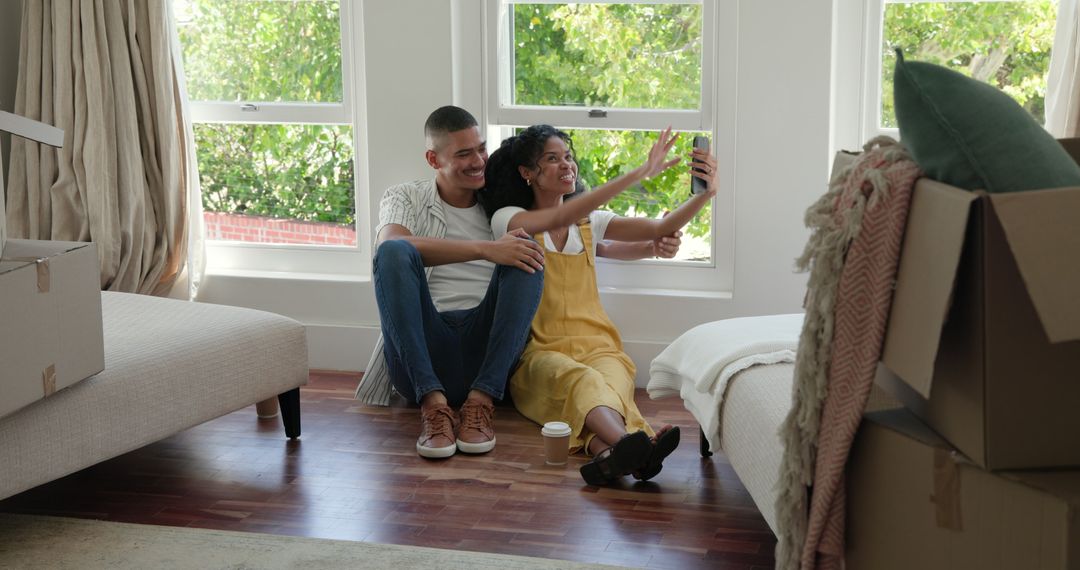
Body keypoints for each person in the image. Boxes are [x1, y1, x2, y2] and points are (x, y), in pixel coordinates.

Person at [357, 106, 682, 460]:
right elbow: (391, 245)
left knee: (526, 248)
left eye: (481, 149)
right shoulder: (406, 197)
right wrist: (487, 250)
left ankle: (482, 404)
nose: (478, 160)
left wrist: (652, 245)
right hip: (424, 349)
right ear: (433, 159)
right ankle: (433, 406)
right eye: (463, 154)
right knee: (392, 252)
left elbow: (583, 234)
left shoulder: (503, 208)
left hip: (488, 352)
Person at [479, 124, 718, 485]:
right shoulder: (509, 219)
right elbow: (558, 217)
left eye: (569, 157)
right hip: (539, 355)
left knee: (607, 385)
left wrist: (707, 193)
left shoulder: (590, 223)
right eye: (553, 159)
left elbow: (662, 226)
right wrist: (640, 172)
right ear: (527, 173)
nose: (567, 165)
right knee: (584, 382)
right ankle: (630, 445)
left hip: (601, 347)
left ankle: (610, 456)